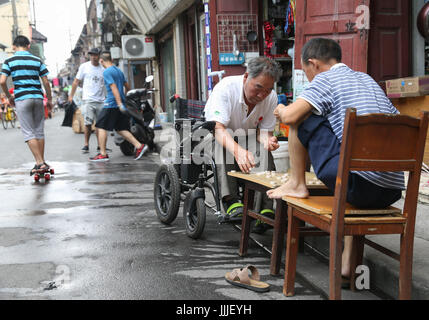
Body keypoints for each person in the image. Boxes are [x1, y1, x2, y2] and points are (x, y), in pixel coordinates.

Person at [267, 38, 404, 281]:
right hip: (391, 188)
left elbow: (290, 117)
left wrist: (280, 109)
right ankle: (348, 261)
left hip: (358, 186)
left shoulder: (325, 79)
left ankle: (297, 183)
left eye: (306, 72)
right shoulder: (368, 80)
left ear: (313, 64)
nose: (309, 78)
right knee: (355, 157)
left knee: (302, 118)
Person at [204, 57, 282, 233]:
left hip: (248, 137)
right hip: (217, 135)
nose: (262, 95)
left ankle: (265, 205)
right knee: (223, 145)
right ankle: (231, 201)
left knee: (263, 150)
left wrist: (268, 141)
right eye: (258, 88)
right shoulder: (226, 88)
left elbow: (264, 133)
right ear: (246, 77)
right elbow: (218, 129)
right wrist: (238, 151)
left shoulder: (271, 98)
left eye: (268, 90)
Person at [0, 35, 53, 174]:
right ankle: (42, 162)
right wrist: (50, 99)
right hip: (37, 98)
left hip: (22, 98)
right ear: (28, 46)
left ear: (13, 46)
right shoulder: (37, 60)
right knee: (39, 131)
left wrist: (9, 96)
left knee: (29, 132)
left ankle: (40, 163)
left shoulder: (9, 61)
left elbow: (2, 81)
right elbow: (46, 82)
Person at [90, 51, 148, 162]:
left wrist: (119, 103)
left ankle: (103, 154)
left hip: (112, 103)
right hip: (120, 102)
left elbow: (113, 87)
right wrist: (124, 100)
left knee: (100, 126)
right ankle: (139, 146)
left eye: (100, 62)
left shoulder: (107, 71)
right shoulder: (118, 71)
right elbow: (127, 86)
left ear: (101, 61)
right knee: (121, 129)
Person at [68, 48, 106, 153]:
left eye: (96, 55)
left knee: (100, 124)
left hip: (101, 100)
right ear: (90, 56)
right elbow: (76, 82)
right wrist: (71, 95)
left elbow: (107, 83)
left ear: (99, 55)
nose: (94, 57)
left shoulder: (103, 68)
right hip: (88, 100)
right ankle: (86, 144)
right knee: (88, 123)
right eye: (92, 55)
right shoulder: (84, 67)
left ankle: (100, 144)